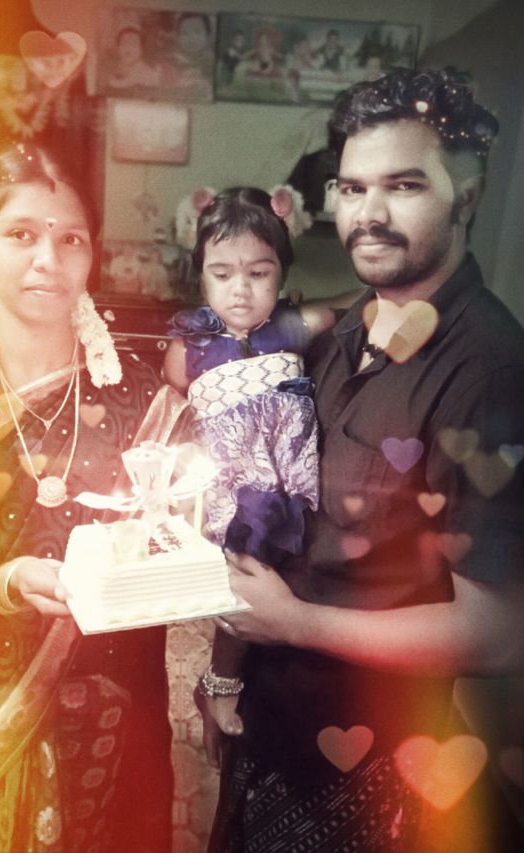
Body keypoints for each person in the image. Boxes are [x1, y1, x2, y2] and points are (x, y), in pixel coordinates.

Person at [204, 68, 524, 852]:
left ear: (468, 197)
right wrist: (227, 670)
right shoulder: (351, 325)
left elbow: (499, 633)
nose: (368, 214)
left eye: (404, 185)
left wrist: (296, 622)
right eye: (352, 188)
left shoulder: (488, 371)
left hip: (369, 767)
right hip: (269, 719)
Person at [0, 142, 174, 853]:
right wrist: (5, 581)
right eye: (20, 234)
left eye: (71, 238)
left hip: (113, 708)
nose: (49, 258)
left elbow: (168, 538)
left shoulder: (137, 389)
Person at [163, 186, 356, 739]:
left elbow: (358, 302)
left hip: (291, 480)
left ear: (282, 273)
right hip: (233, 488)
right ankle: (220, 683)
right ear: (201, 276)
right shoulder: (190, 346)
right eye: (222, 274)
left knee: (287, 584)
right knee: (242, 588)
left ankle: (262, 682)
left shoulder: (292, 326)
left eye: (259, 273)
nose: (241, 289)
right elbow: (169, 407)